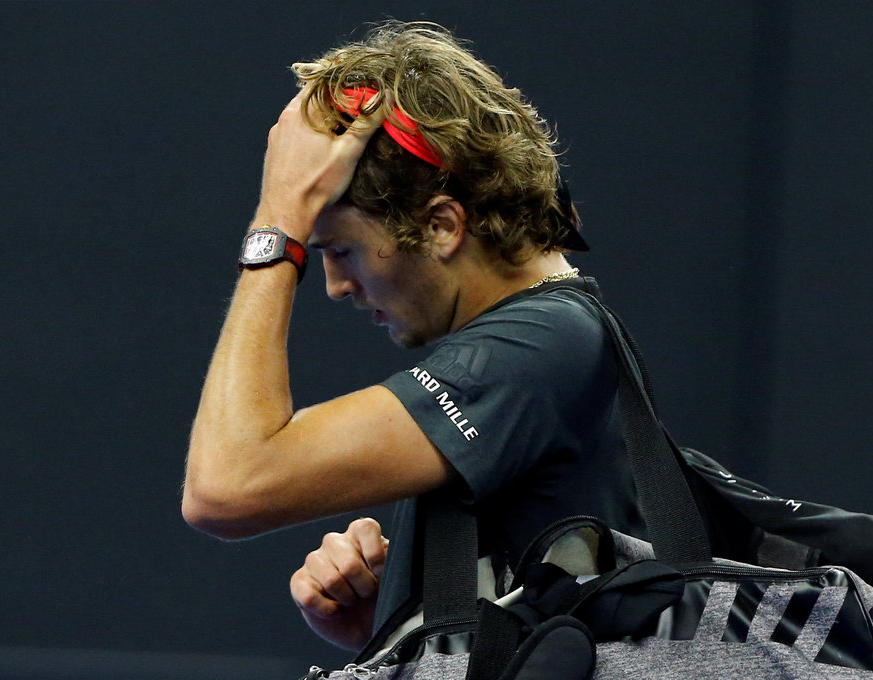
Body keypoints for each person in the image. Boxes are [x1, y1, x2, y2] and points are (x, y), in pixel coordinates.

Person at [181, 21, 644, 653]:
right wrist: (400, 619)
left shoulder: (544, 343)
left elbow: (226, 485)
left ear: (443, 225)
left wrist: (278, 219)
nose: (335, 286)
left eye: (339, 249)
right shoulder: (546, 344)